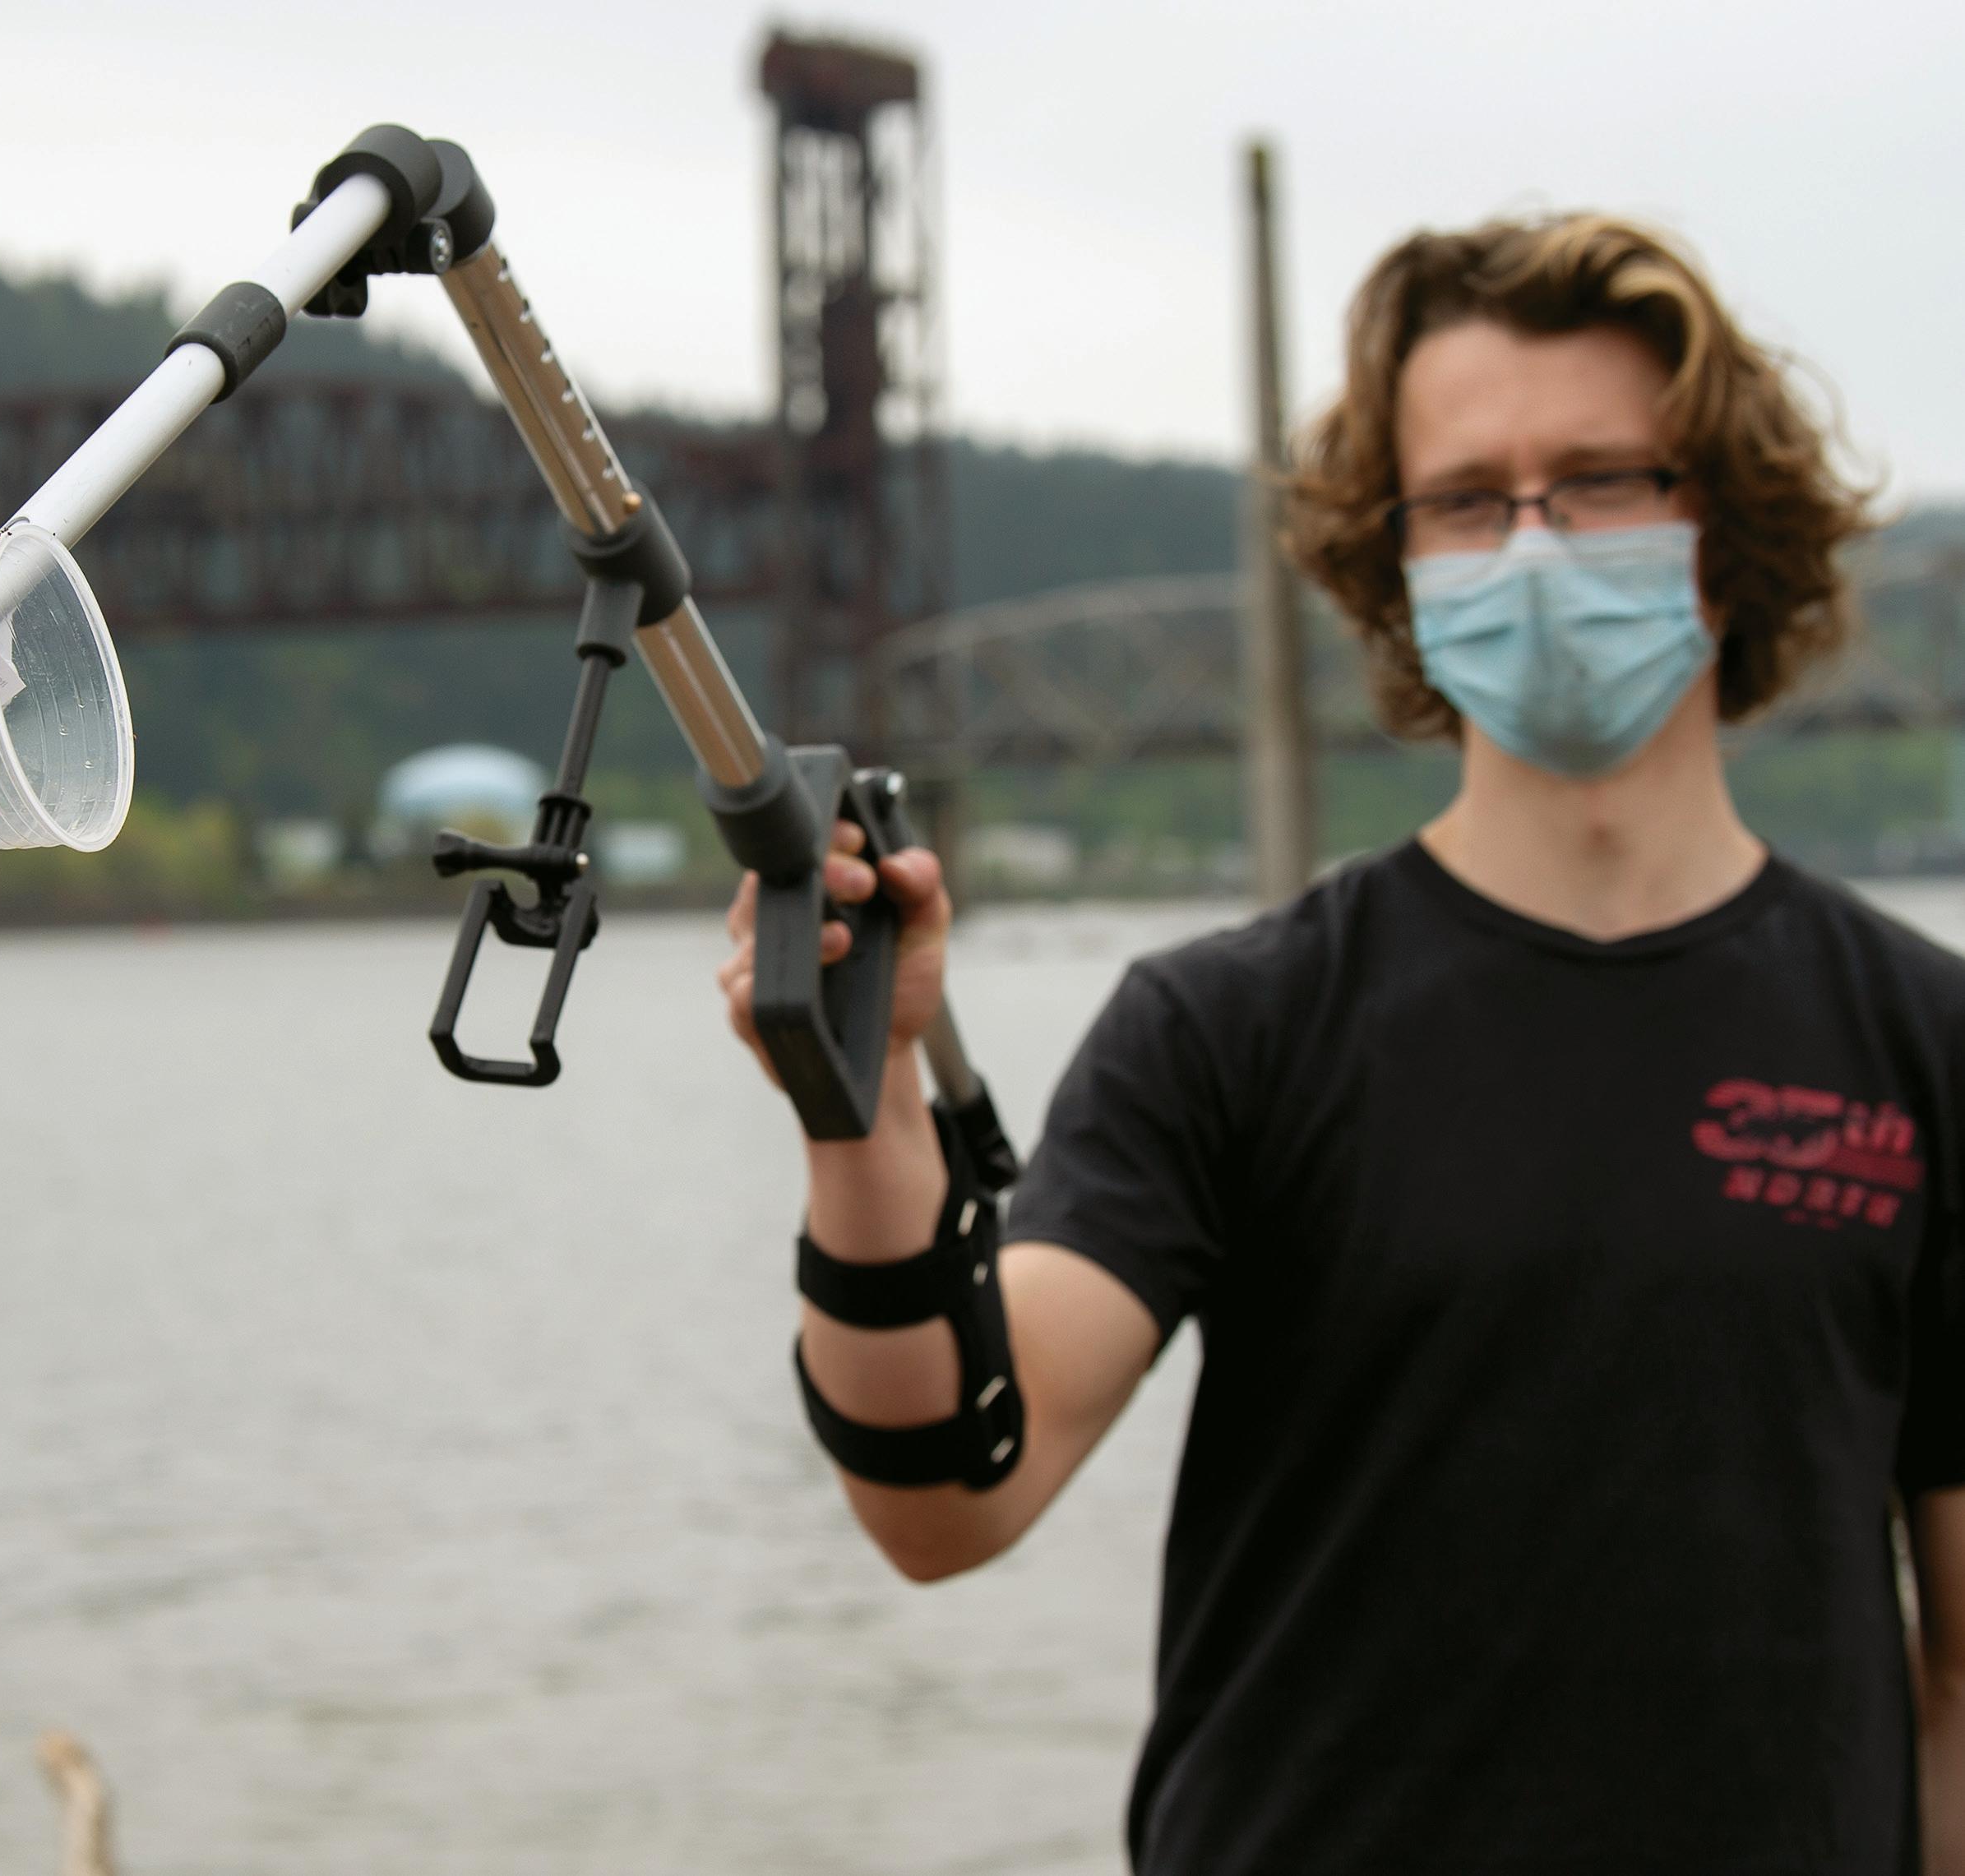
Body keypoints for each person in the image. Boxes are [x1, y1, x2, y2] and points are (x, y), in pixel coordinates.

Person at [717, 214, 1965, 1874]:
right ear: (1397, 565)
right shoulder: (1226, 1029)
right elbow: (949, 1492)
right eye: (1465, 500)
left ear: (1725, 528)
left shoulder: (1925, 1043)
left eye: (1599, 481)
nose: (1530, 545)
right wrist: (863, 1103)